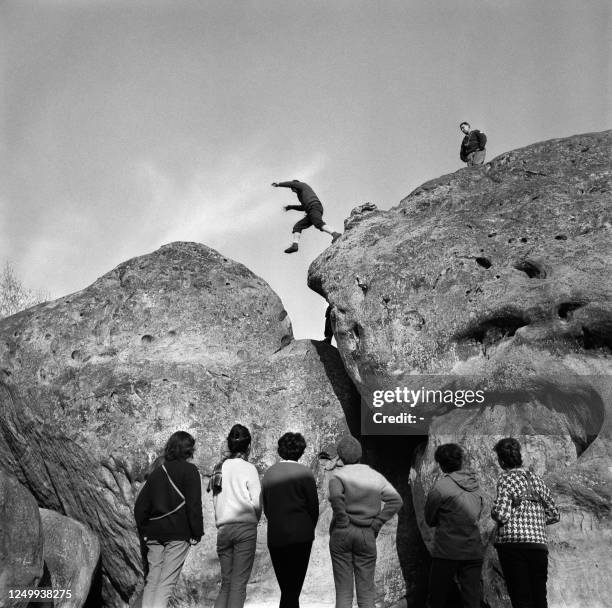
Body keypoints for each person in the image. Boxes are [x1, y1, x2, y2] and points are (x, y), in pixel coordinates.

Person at [328, 435, 403, 608]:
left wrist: (342, 520)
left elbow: (335, 497)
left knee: (344, 592)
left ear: (340, 458)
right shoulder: (375, 477)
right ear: (360, 455)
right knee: (366, 592)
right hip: (367, 533)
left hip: (341, 534)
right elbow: (396, 501)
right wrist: (377, 523)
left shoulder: (337, 477)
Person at [134, 431, 204, 608]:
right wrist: (197, 532)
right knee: (166, 584)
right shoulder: (190, 471)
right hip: (178, 534)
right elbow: (194, 505)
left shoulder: (157, 472)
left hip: (154, 535)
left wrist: (144, 532)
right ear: (189, 450)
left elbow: (140, 508)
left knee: (153, 581)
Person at [491, 438, 560, 608]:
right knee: (539, 597)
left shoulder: (506, 479)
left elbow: (501, 515)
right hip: (538, 546)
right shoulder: (537, 480)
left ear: (501, 460)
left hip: (513, 545)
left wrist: (493, 510)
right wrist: (535, 524)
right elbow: (554, 514)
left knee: (521, 598)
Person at [424, 443, 485, 608]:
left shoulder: (440, 488)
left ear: (441, 465)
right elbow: (476, 514)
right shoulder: (476, 487)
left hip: (447, 552)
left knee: (437, 599)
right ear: (460, 461)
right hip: (473, 550)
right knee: (472, 601)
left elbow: (429, 519)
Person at [262, 432, 319, 608]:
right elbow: (313, 508)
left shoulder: (269, 473)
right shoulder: (305, 473)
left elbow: (266, 507)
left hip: (277, 535)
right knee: (293, 588)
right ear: (300, 451)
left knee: (287, 587)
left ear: (280, 450)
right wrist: (309, 528)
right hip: (301, 535)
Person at [213, 424, 262, 608]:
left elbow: (216, 500)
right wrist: (255, 520)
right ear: (248, 447)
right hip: (245, 529)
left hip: (223, 529)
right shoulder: (249, 469)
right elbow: (257, 502)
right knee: (238, 585)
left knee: (226, 584)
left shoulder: (219, 468)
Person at [271, 180, 342, 253]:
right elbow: (303, 207)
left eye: (292, 188)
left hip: (314, 207)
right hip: (311, 209)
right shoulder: (301, 195)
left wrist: (279, 184)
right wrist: (290, 207)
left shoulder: (302, 185)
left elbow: (291, 183)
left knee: (318, 223)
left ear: (295, 185)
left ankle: (335, 234)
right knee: (298, 226)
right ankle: (295, 245)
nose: (292, 191)